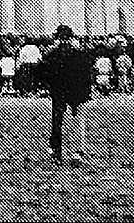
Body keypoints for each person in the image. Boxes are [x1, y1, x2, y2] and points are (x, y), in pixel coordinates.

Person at [42, 25, 93, 165]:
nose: (64, 41)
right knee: (66, 122)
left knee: (65, 121)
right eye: (62, 38)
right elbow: (87, 75)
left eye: (65, 38)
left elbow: (86, 76)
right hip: (67, 93)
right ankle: (66, 151)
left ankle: (66, 151)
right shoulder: (76, 54)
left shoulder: (56, 55)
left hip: (69, 92)